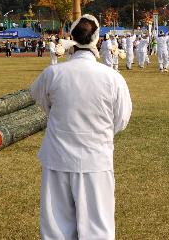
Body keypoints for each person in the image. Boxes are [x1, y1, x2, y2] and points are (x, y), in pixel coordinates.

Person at [31, 15, 132, 240]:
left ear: (72, 38)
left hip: (58, 157)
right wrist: (100, 133)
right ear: (97, 40)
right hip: (96, 157)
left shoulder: (53, 73)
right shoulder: (112, 77)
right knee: (98, 227)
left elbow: (40, 100)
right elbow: (121, 119)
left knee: (56, 227)